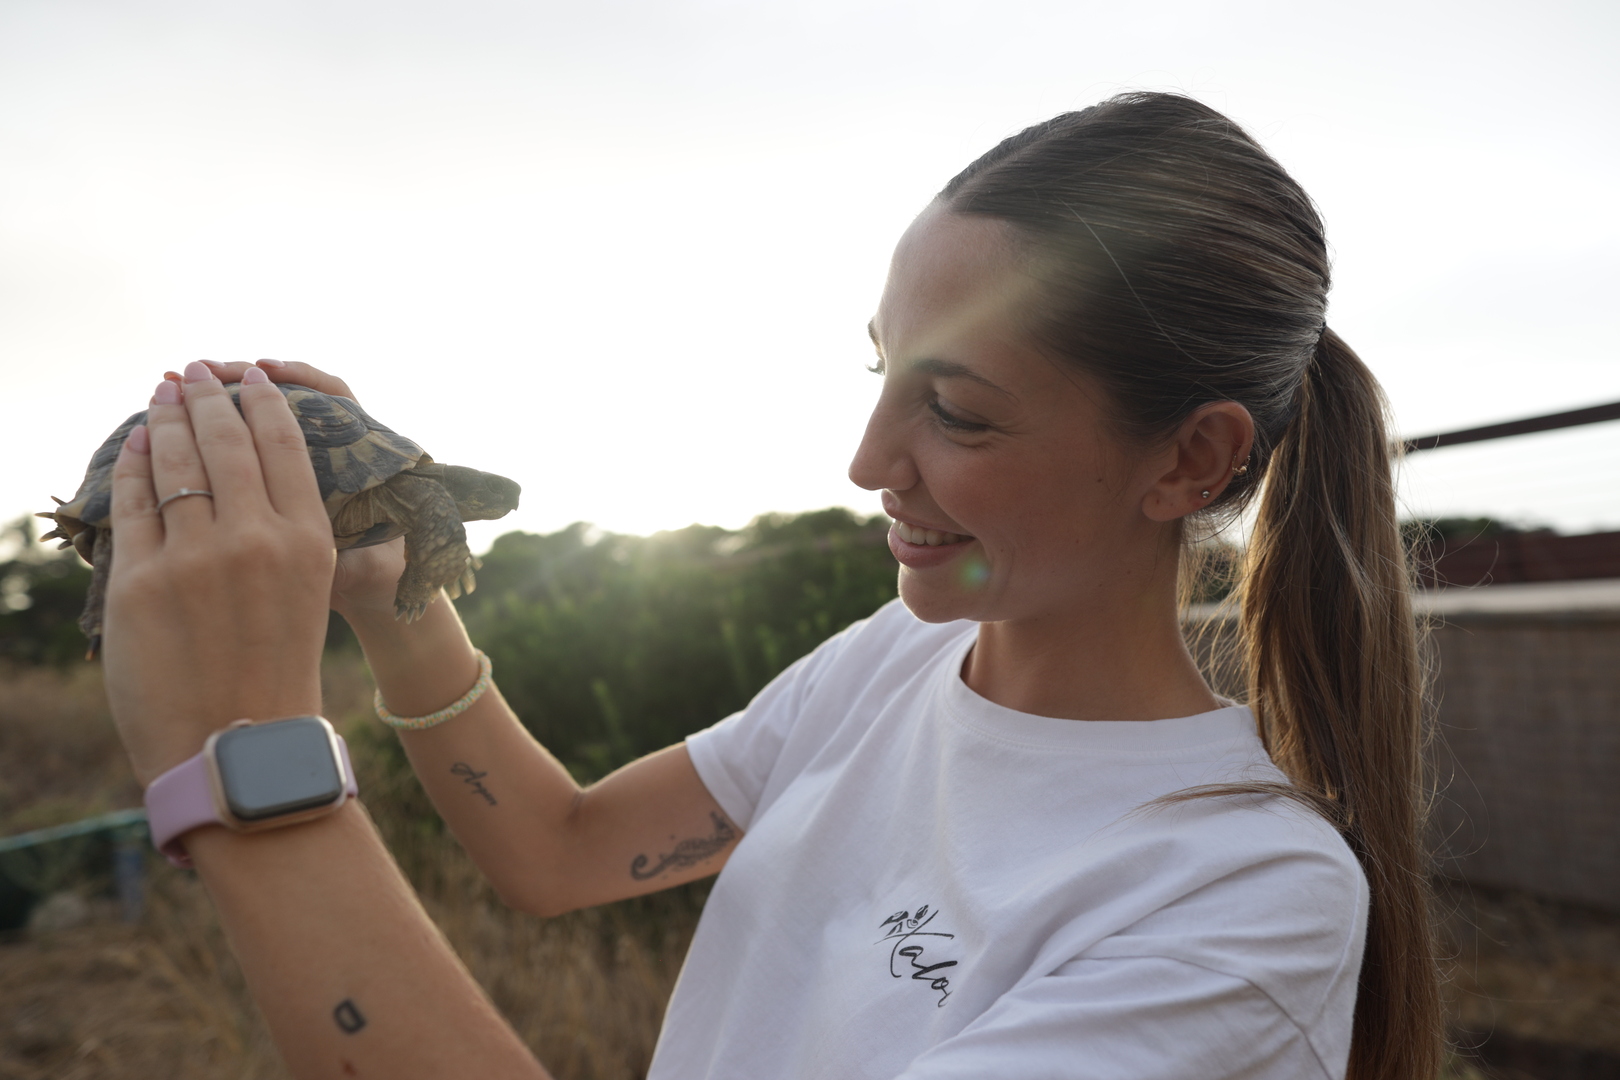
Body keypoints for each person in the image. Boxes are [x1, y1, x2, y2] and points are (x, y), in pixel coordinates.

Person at [101, 92, 1440, 1080]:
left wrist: (247, 761)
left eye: (958, 413)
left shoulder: (1238, 905)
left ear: (1188, 459)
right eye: (883, 374)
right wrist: (399, 594)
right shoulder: (896, 661)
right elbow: (562, 852)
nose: (868, 463)